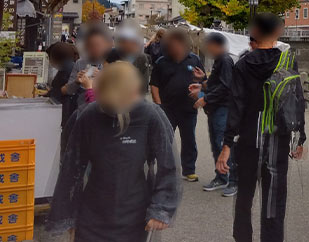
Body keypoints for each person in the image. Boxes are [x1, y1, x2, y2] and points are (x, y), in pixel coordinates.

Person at [48, 61, 180, 241]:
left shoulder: (150, 115)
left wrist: (161, 208)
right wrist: (67, 214)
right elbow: (71, 167)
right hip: (92, 212)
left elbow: (169, 165)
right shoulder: (89, 115)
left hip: (136, 212)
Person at [216, 13, 306, 242]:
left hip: (249, 138)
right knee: (274, 198)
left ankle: (242, 237)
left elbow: (235, 106)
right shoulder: (287, 61)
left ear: (255, 33)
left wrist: (226, 145)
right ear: (277, 32)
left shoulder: (243, 65)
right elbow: (297, 101)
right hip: (278, 137)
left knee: (244, 195)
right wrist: (300, 138)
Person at [150, 28, 205, 181]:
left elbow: (204, 81)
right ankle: (165, 170)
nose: (176, 48)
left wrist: (200, 94)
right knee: (165, 139)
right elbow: (154, 85)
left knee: (189, 140)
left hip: (188, 107)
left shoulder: (194, 60)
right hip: (167, 108)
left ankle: (189, 170)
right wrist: (158, 105)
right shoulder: (162, 62)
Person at [193, 32, 237, 196]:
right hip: (215, 108)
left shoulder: (225, 60)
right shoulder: (219, 60)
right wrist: (202, 82)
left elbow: (226, 87)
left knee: (224, 144)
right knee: (216, 143)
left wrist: (206, 99)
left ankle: (233, 180)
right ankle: (221, 176)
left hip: (223, 108)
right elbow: (214, 83)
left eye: (209, 46)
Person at [62, 23, 113, 112]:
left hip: (104, 112)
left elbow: (118, 94)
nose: (95, 49)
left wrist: (102, 77)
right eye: (91, 45)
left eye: (98, 45)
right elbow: (68, 91)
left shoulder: (113, 64)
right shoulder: (80, 63)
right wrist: (77, 82)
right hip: (81, 111)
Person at [106, 23, 152, 94]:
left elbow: (143, 85)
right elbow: (105, 77)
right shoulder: (112, 53)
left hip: (134, 97)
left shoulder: (141, 58)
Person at [47, 42, 79, 126]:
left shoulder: (66, 69)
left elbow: (61, 91)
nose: (49, 61)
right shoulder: (72, 66)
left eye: (48, 57)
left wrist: (50, 93)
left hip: (66, 113)